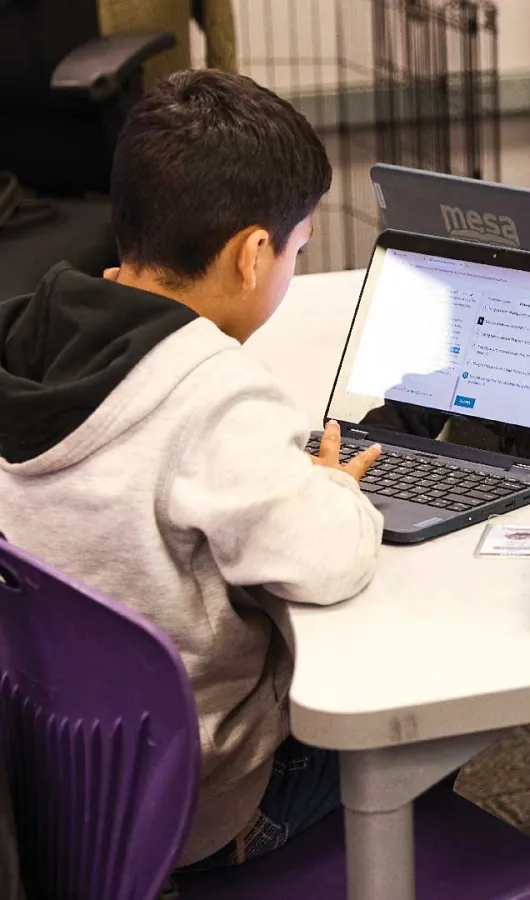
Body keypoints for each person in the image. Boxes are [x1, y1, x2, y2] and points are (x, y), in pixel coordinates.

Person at [0, 69, 384, 870]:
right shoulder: (216, 399)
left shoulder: (30, 333)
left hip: (58, 785)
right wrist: (332, 489)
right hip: (201, 807)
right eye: (298, 249)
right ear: (252, 255)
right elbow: (328, 561)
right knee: (419, 715)